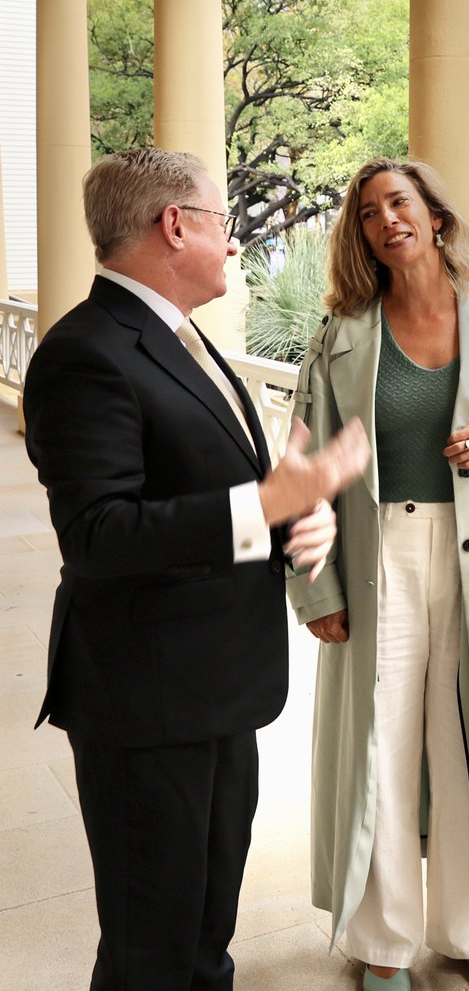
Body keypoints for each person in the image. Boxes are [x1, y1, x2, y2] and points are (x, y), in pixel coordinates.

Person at [21, 148, 371, 990]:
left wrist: (284, 524)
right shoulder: (85, 352)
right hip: (146, 702)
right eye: (224, 222)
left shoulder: (183, 339)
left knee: (205, 934)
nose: (236, 243)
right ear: (174, 226)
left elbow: (211, 499)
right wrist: (266, 503)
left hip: (216, 689)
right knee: (153, 946)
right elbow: (100, 534)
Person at [287, 158, 469, 991]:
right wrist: (317, 588)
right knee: (379, 744)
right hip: (374, 554)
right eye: (370, 212)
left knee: (467, 740)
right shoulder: (342, 334)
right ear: (362, 234)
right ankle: (381, 944)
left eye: (400, 203)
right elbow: (306, 464)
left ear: (436, 218)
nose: (387, 220)